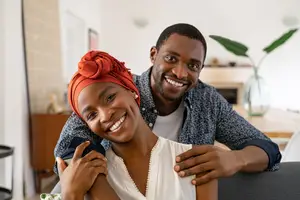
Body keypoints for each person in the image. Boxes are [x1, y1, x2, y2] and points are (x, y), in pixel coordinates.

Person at [54, 23, 281, 186]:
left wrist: (236, 158)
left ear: (200, 70)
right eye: (171, 58)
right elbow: (67, 149)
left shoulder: (208, 101)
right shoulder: (118, 92)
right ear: (154, 54)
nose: (180, 73)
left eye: (193, 66)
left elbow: (268, 149)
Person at [55, 50, 218, 200]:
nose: (105, 115)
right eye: (92, 115)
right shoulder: (84, 174)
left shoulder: (196, 162)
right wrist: (70, 194)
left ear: (132, 91)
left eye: (110, 97)